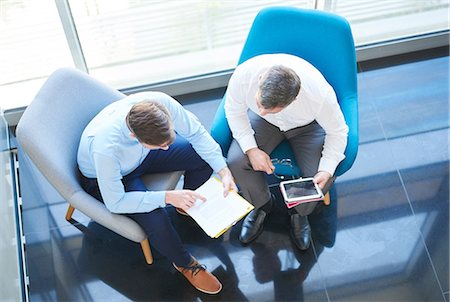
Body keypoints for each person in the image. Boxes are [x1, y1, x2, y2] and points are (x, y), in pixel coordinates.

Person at [77, 91, 237, 295]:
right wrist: (167, 197)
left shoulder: (160, 103)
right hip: (107, 177)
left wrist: (223, 171)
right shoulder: (106, 148)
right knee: (156, 217)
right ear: (135, 136)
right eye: (161, 145)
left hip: (143, 155)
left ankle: (184, 207)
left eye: (168, 140)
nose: (166, 148)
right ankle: (185, 264)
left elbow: (196, 134)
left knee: (203, 156)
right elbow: (115, 202)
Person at [224, 53, 348, 250]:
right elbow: (233, 111)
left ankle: (299, 213)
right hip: (264, 125)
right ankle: (262, 205)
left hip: (307, 127)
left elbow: (338, 132)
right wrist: (251, 148)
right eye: (259, 103)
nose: (262, 109)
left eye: (271, 108)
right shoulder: (244, 76)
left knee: (320, 175)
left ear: (294, 98)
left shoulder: (319, 94)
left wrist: (327, 168)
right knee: (237, 161)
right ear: (260, 80)